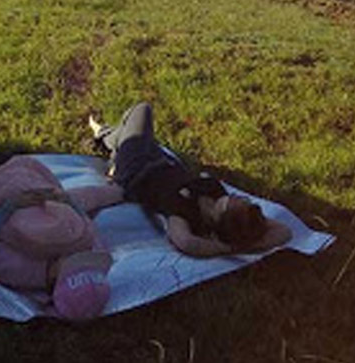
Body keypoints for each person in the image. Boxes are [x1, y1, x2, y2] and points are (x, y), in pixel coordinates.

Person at [0, 100, 123, 322]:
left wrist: (10, 206)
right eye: (84, 259)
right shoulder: (85, 241)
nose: (77, 256)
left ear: (53, 281)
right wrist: (113, 193)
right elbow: (82, 201)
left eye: (74, 264)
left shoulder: (21, 270)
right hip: (26, 177)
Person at [90, 102, 291, 256]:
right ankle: (112, 142)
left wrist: (226, 248)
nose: (243, 198)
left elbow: (185, 242)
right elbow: (284, 232)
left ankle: (106, 136)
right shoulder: (217, 193)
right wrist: (244, 245)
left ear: (224, 215)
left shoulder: (184, 212)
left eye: (241, 203)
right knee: (137, 136)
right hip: (161, 160)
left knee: (141, 111)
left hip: (135, 170)